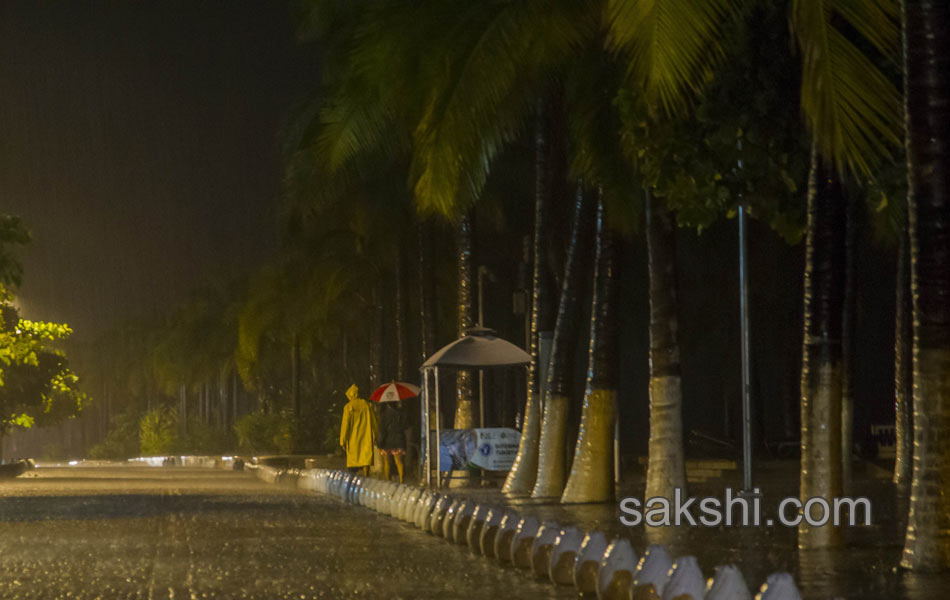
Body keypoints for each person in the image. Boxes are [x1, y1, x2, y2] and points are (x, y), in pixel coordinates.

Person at [339, 384, 376, 475]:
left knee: (353, 461)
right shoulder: (367, 405)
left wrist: (342, 441)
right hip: (366, 437)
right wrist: (375, 435)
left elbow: (345, 425)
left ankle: (353, 481)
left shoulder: (348, 407)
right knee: (365, 459)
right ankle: (366, 478)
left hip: (353, 438)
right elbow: (374, 422)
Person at [376, 400, 408, 482]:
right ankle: (401, 480)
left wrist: (379, 443)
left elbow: (382, 431)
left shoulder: (384, 415)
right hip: (398, 440)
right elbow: (405, 426)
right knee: (399, 462)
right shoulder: (401, 414)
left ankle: (387, 480)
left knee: (387, 462)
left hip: (387, 441)